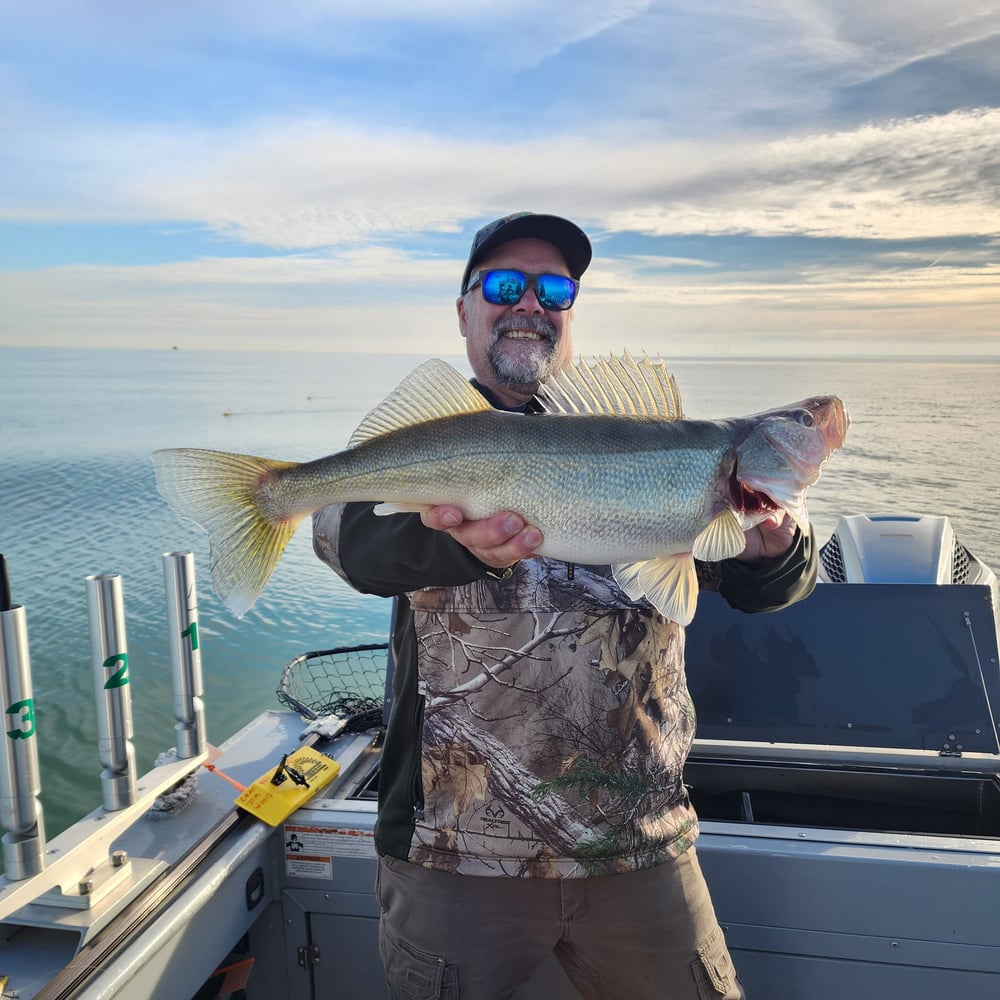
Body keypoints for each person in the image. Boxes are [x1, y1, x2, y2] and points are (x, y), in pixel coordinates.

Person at [313, 212, 816, 999]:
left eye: (555, 288)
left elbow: (771, 588)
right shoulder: (427, 439)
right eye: (506, 284)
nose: (531, 304)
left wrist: (773, 548)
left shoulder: (667, 446)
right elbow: (347, 539)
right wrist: (457, 543)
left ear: (572, 310)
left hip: (639, 845)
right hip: (454, 855)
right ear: (464, 309)